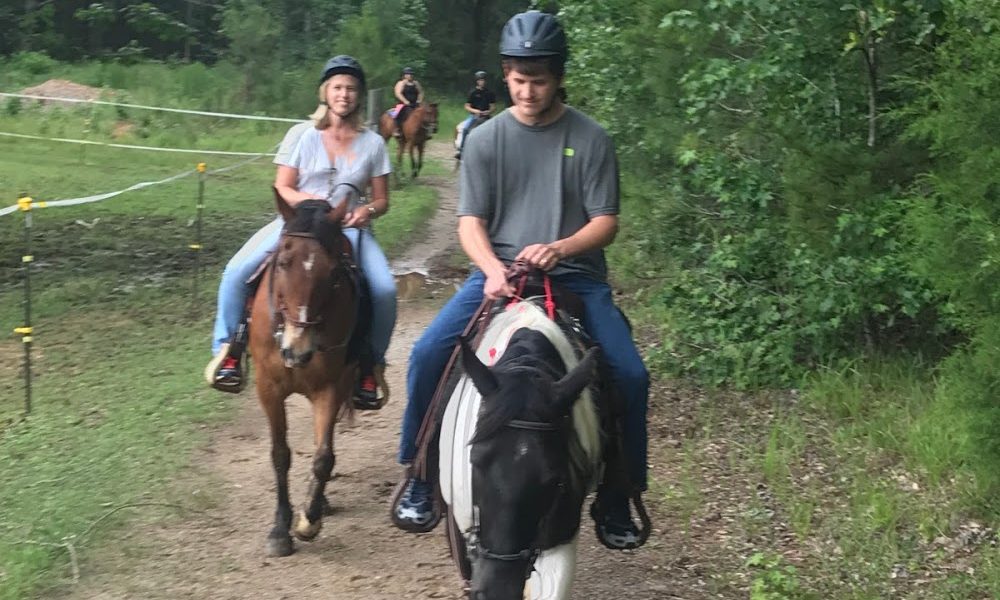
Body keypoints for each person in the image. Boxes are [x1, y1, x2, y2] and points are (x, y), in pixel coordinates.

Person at [393, 11, 649, 550]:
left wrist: (559, 247)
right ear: (505, 76)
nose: (527, 90)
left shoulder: (591, 138)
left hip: (576, 275)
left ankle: (617, 494)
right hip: (499, 273)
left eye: (538, 79)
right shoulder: (485, 141)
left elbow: (606, 221)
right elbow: (470, 223)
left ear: (557, 77)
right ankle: (418, 475)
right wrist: (490, 271)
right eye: (517, 78)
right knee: (426, 356)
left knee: (628, 373)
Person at [204, 55, 396, 408]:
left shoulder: (373, 144)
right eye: (338, 87)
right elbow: (283, 186)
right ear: (325, 92)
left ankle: (370, 366)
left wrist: (364, 211)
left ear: (359, 95)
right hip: (297, 227)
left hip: (345, 228)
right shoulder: (301, 135)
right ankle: (229, 351)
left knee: (384, 289)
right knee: (235, 272)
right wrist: (313, 204)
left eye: (352, 89)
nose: (344, 94)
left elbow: (382, 200)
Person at [454, 70, 496, 159]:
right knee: (465, 129)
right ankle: (461, 150)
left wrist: (489, 111)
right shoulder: (473, 92)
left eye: (484, 80)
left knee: (497, 130)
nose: (482, 82)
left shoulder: (490, 93)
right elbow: (467, 106)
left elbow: (493, 106)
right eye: (481, 80)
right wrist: (475, 111)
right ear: (477, 81)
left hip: (486, 116)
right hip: (474, 116)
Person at [391, 66, 424, 137]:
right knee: (396, 114)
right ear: (405, 75)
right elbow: (398, 93)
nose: (411, 75)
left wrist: (419, 100)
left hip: (415, 103)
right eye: (409, 74)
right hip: (403, 104)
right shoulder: (401, 83)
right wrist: (405, 101)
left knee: (424, 113)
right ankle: (397, 129)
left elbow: (420, 92)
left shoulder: (416, 83)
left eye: (411, 74)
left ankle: (425, 131)